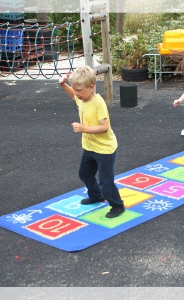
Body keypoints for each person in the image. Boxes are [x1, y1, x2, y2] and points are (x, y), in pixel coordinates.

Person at [59, 66, 125, 218]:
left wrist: (83, 128)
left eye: (79, 90)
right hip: (90, 147)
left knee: (105, 182)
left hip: (105, 149)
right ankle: (96, 196)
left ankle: (118, 205)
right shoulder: (82, 98)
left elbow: (104, 127)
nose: (76, 93)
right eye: (75, 89)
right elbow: (73, 96)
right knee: (85, 174)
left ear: (91, 87)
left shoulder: (98, 102)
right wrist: (63, 84)